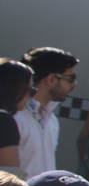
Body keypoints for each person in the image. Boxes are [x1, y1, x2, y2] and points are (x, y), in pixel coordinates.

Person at [16, 47, 76, 178]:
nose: (74, 84)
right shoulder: (15, 116)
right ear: (51, 79)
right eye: (71, 78)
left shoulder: (52, 119)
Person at [0, 59, 29, 167]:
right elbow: (10, 172)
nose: (31, 96)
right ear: (14, 88)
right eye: (30, 90)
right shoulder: (4, 121)